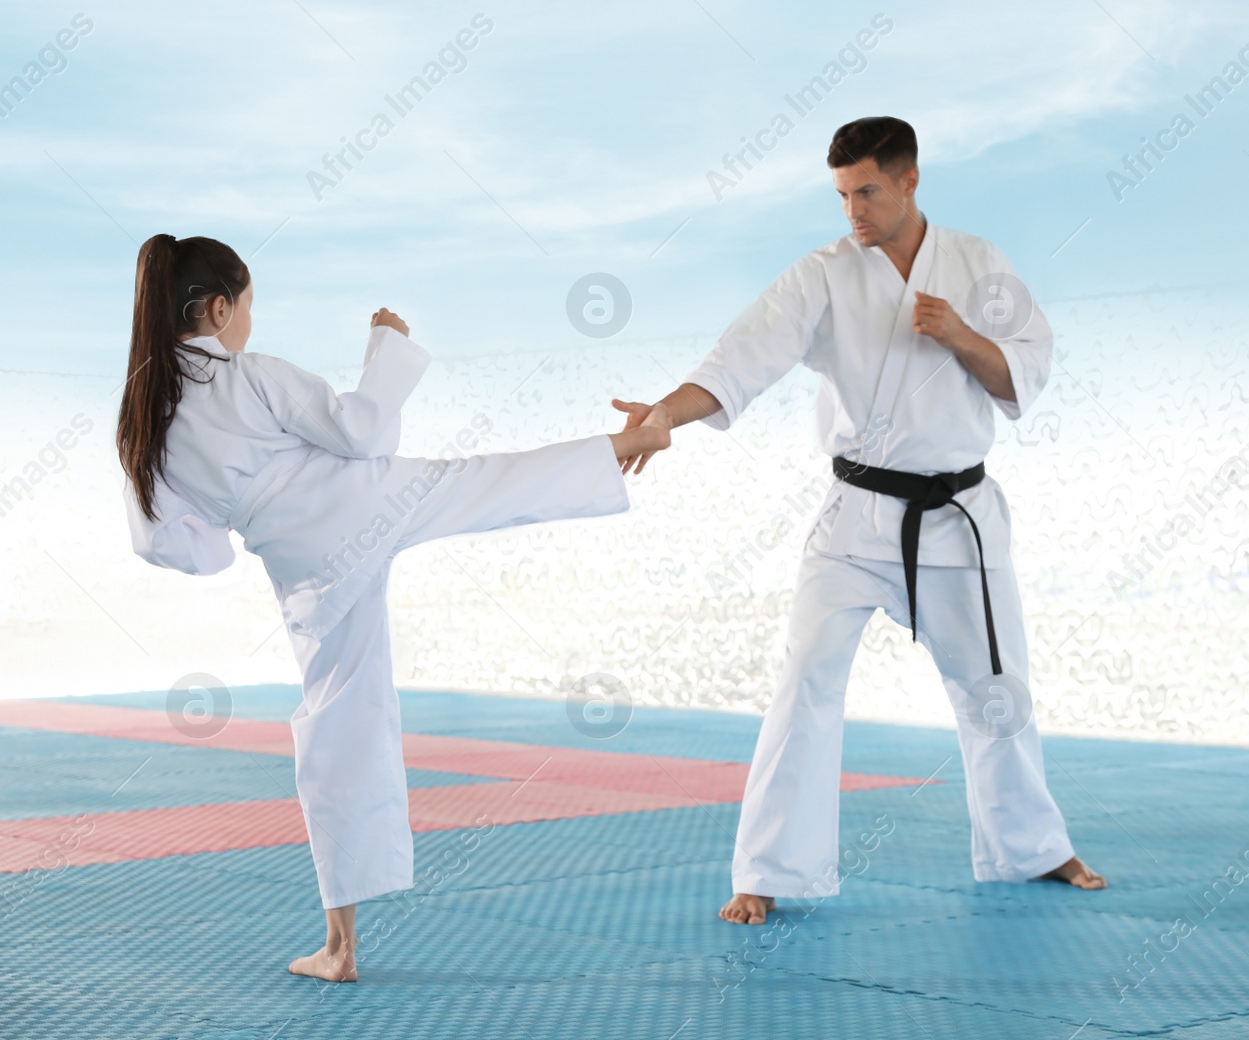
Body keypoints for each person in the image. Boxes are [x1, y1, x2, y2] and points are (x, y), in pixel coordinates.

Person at [116, 234, 669, 980]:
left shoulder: (147, 424)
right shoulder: (253, 375)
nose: (247, 322)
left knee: (336, 725)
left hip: (303, 565)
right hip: (366, 503)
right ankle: (633, 440)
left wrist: (248, 516)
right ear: (219, 308)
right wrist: (389, 344)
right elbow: (360, 429)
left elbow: (187, 549)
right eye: (246, 306)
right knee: (489, 482)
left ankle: (339, 945)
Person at [614, 117, 1105, 925]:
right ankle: (767, 870)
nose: (854, 212)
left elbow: (1026, 372)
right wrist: (666, 413)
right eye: (842, 195)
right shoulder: (823, 276)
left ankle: (1034, 849)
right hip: (854, 517)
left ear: (910, 181)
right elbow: (743, 358)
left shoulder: (981, 264)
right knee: (804, 680)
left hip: (957, 516)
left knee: (996, 691)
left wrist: (958, 334)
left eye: (868, 191)